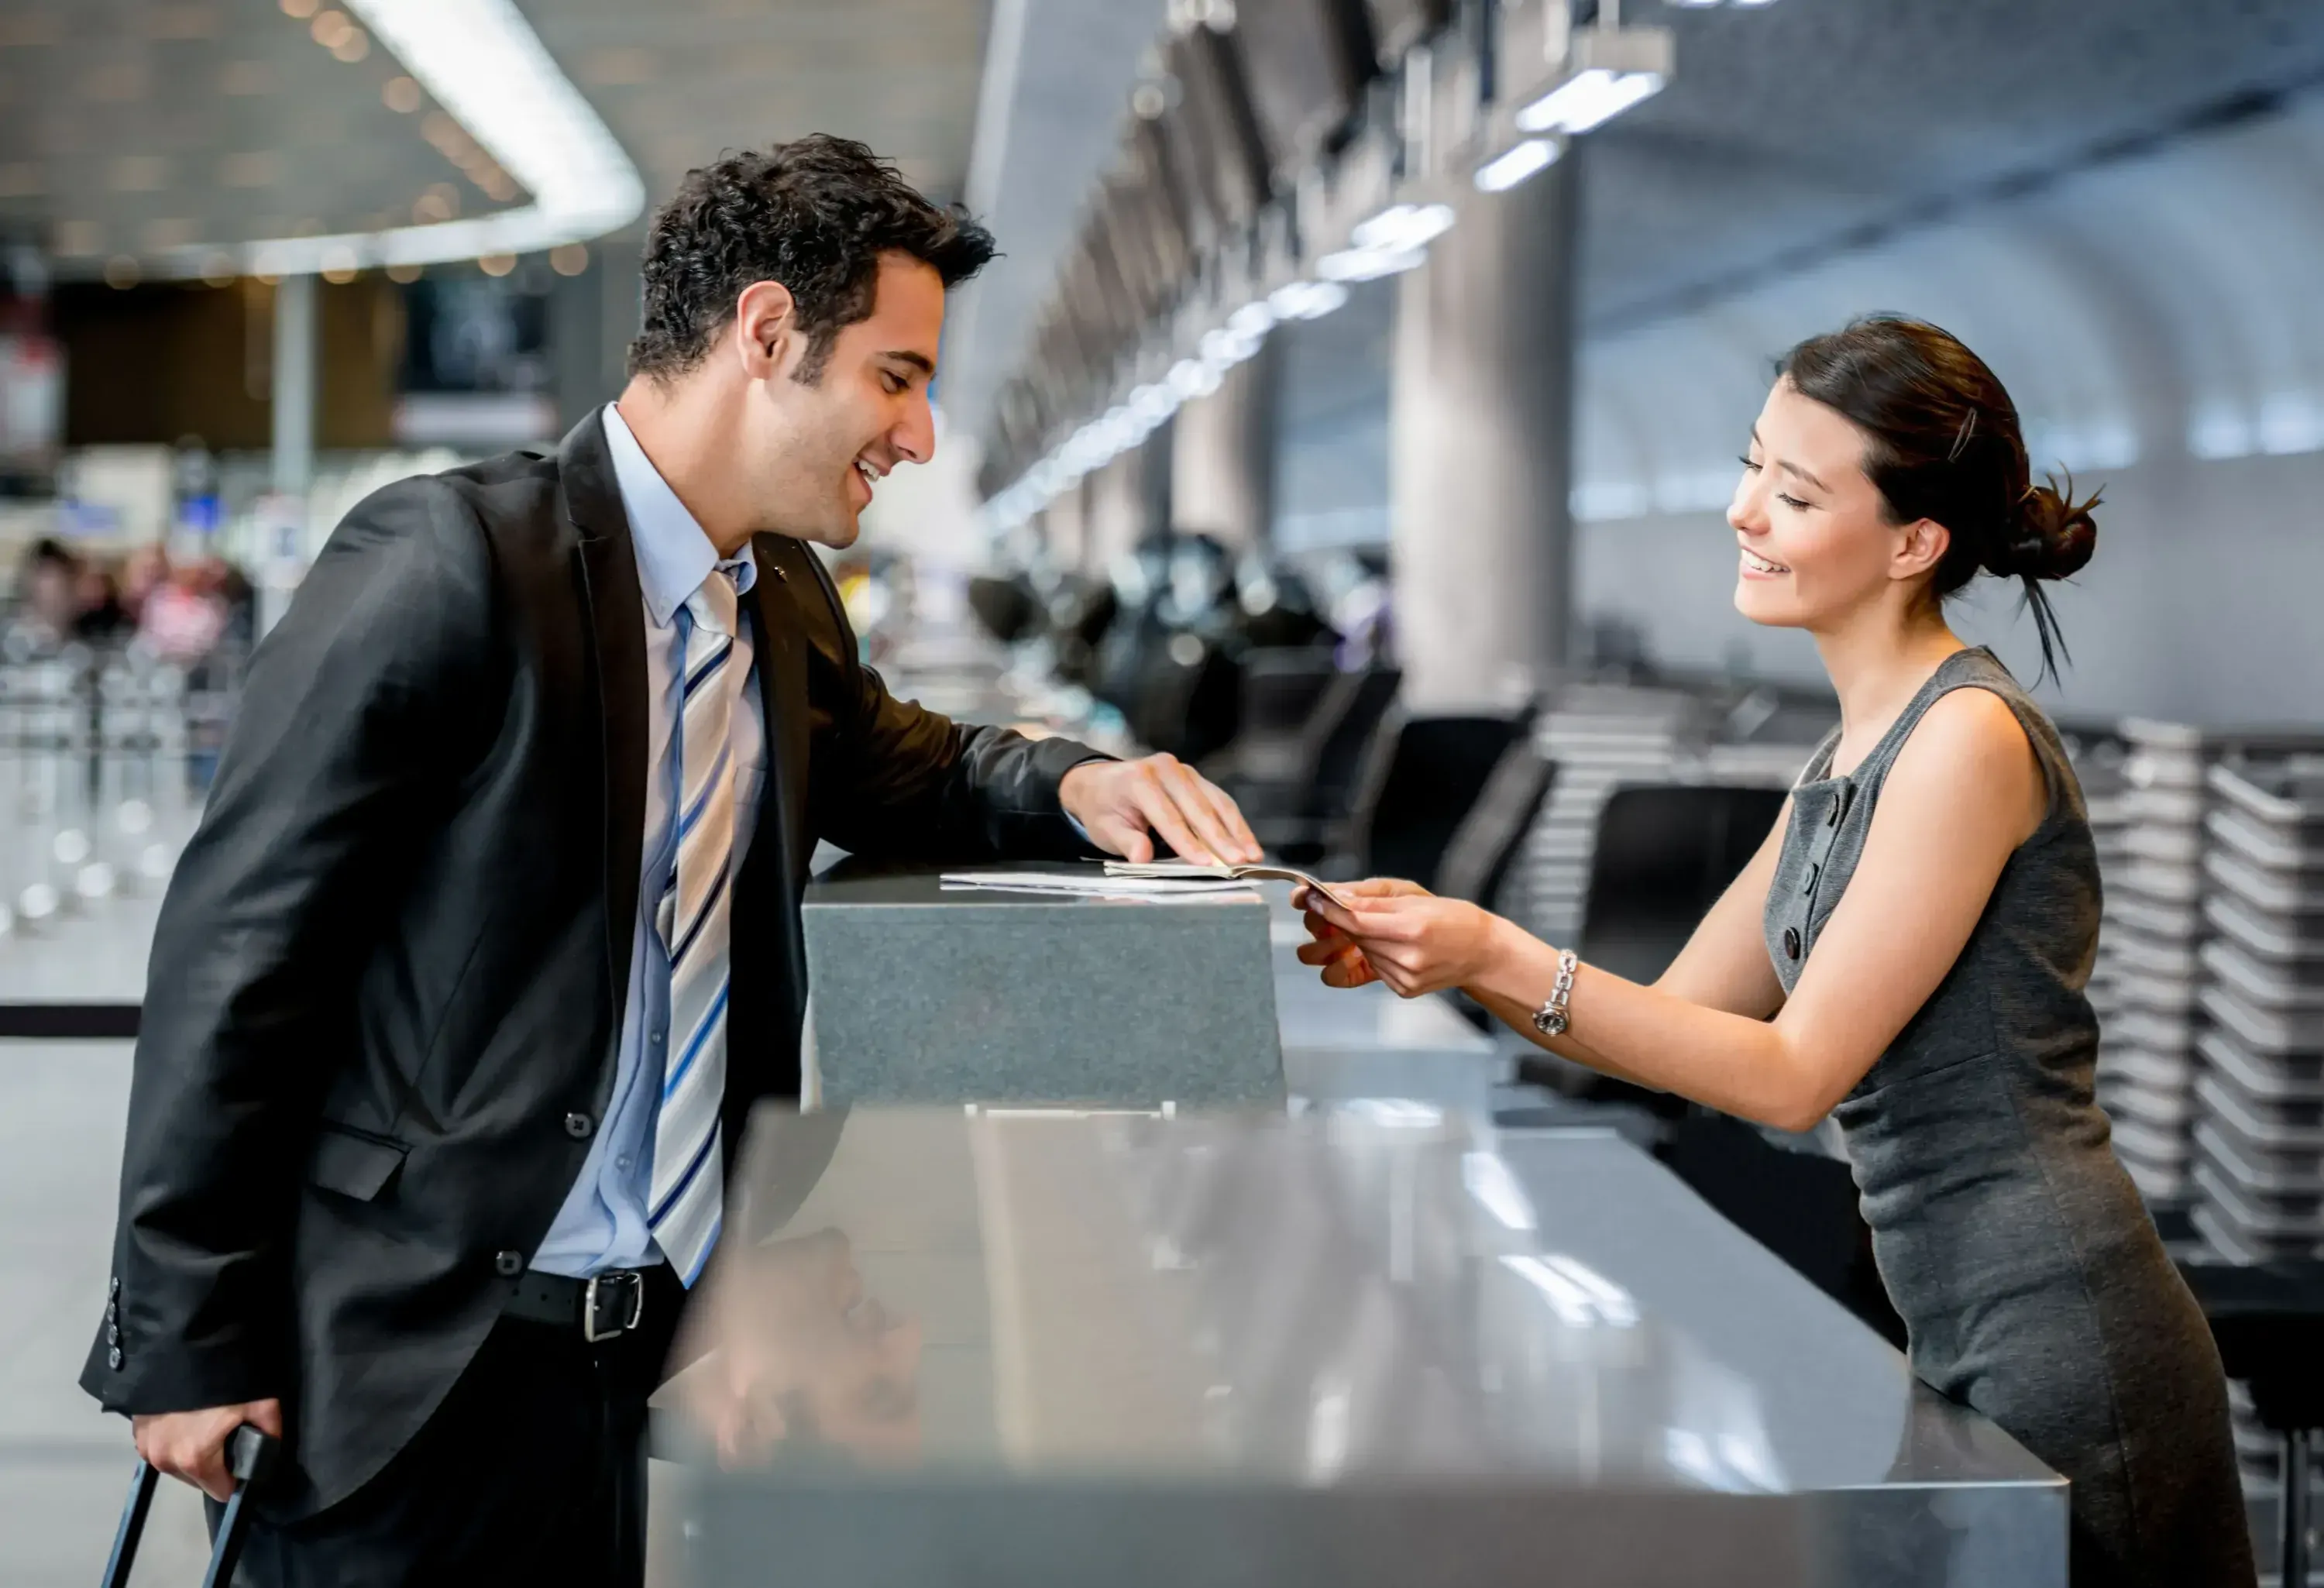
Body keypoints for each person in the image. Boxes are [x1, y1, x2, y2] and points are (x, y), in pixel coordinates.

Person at [87, 134, 1262, 1587]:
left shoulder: (772, 597)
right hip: (397, 1376)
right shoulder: (450, 563)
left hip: (613, 1371)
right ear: (768, 334)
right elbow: (236, 954)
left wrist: (1079, 776)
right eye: (897, 378)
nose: (918, 437)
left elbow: (909, 763)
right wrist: (188, 1334)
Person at [1296, 316, 2254, 1588]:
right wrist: (1457, 956)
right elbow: (1674, 1020)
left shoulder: (1967, 740)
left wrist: (1495, 945)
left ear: (1915, 543)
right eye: (1752, 466)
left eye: (1794, 492)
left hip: (2063, 1326)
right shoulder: (1844, 759)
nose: (1744, 512)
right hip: (1953, 1315)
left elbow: (1790, 1073)